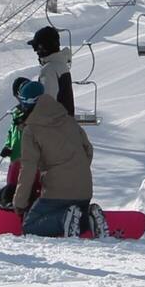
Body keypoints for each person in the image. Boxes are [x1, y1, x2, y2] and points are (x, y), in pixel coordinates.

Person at [11, 81, 101, 237]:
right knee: (73, 209)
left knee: (30, 226)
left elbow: (28, 168)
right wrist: (77, 169)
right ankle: (88, 219)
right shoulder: (68, 120)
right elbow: (88, 149)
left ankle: (64, 218)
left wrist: (19, 203)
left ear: (29, 103)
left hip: (56, 191)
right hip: (84, 188)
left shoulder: (31, 129)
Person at [0, 77, 37, 209]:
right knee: (13, 181)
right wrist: (8, 146)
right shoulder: (17, 112)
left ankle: (26, 204)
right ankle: (9, 203)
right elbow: (12, 132)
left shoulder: (35, 110)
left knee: (27, 183)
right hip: (17, 155)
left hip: (32, 157)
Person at [27, 26, 76, 116]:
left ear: (43, 47)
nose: (36, 52)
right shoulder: (61, 65)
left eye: (36, 47)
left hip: (54, 126)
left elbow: (47, 104)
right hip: (65, 124)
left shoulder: (49, 70)